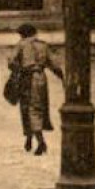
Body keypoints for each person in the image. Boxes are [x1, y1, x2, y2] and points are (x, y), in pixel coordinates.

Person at [8, 23, 63, 155]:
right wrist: (62, 78)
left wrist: (18, 70)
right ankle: (30, 139)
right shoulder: (43, 45)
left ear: (22, 34)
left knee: (27, 108)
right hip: (41, 78)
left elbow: (11, 62)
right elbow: (54, 65)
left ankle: (39, 141)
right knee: (38, 107)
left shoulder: (21, 45)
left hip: (26, 78)